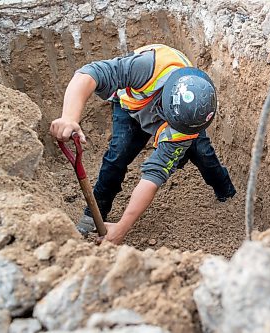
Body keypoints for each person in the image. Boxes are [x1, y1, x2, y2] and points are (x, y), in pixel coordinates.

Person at [50, 44, 236, 245]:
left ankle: (227, 194)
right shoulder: (147, 68)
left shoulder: (191, 117)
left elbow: (154, 174)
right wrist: (69, 117)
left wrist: (123, 227)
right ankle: (94, 214)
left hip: (176, 120)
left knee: (203, 153)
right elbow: (89, 73)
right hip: (131, 108)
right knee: (117, 156)